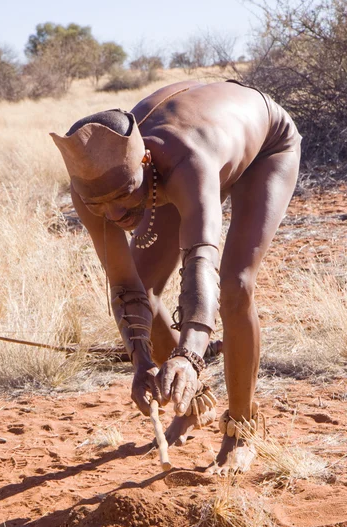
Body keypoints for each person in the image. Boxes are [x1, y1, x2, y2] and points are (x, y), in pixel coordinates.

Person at [50, 80, 301, 475]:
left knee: (234, 286)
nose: (115, 216)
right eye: (101, 205)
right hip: (164, 174)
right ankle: (193, 402)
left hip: (265, 145)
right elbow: (124, 283)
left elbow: (202, 262)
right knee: (146, 292)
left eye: (122, 197)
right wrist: (141, 362)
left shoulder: (185, 162)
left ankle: (242, 430)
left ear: (144, 164)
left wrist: (188, 355)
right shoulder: (94, 184)